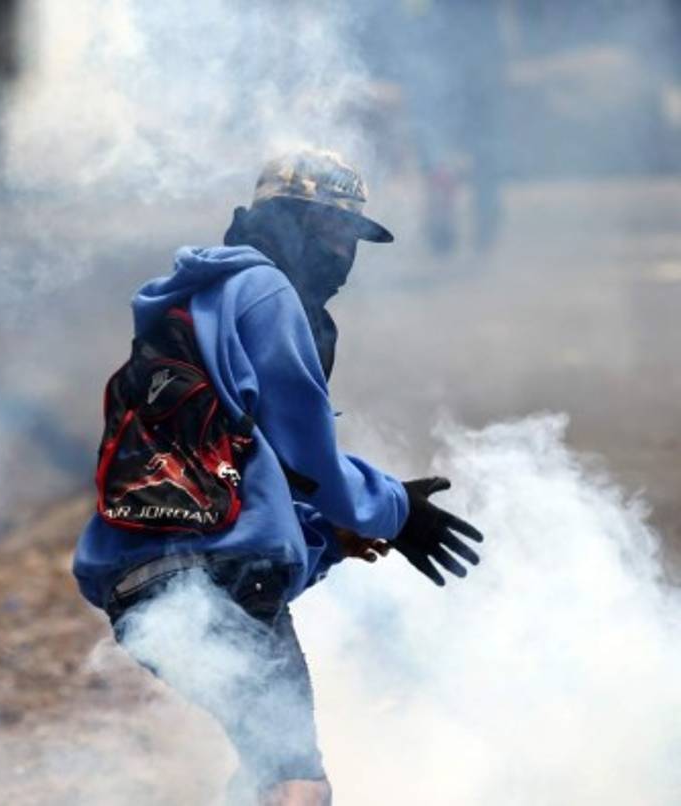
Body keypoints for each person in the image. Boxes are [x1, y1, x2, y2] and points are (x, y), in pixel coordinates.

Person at [73, 148, 484, 805]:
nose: (345, 260)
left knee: (268, 773)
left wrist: (329, 536)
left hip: (138, 591)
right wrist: (395, 511)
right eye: (334, 234)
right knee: (298, 783)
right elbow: (308, 457)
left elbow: (247, 472)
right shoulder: (265, 291)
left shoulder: (194, 309)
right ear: (291, 223)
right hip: (220, 579)